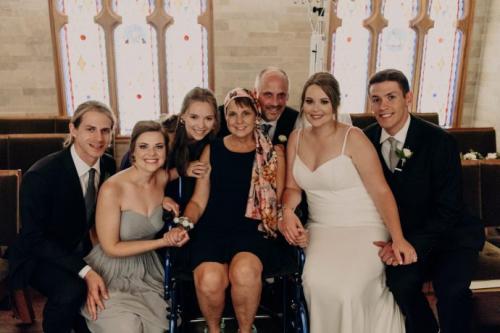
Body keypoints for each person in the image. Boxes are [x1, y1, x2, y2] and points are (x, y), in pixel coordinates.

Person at [279, 72, 417, 333]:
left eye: (323, 102)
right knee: (314, 282)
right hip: (321, 227)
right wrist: (286, 211)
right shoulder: (296, 139)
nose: (315, 109)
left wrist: (398, 238)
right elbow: (291, 187)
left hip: (363, 226)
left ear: (334, 105)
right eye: (309, 101)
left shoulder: (353, 138)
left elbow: (381, 191)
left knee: (347, 290)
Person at [364, 69, 485, 333]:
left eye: (391, 97)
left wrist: (407, 244)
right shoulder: (366, 140)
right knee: (399, 282)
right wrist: (395, 240)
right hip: (405, 237)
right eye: (375, 99)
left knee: (452, 290)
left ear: (408, 98)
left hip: (451, 237)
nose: (383, 106)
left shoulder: (440, 141)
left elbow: (449, 208)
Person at [180, 88, 285, 333]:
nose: (239, 121)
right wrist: (184, 222)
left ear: (256, 115)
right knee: (210, 279)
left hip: (252, 229)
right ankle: (214, 329)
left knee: (245, 273)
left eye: (245, 113)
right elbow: (198, 200)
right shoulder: (212, 149)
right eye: (232, 114)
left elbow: (275, 202)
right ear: (224, 118)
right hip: (211, 230)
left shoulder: (272, 153)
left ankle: (245, 330)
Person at [7, 101, 117, 333]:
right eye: (90, 129)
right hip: (38, 254)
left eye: (105, 130)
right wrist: (85, 270)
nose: (99, 138)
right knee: (71, 290)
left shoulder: (108, 165)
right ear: (73, 129)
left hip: (80, 248)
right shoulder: (42, 175)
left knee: (115, 284)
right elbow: (34, 238)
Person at [81, 120, 189, 332]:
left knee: (158, 326)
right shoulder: (113, 188)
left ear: (166, 151)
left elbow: (177, 172)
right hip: (111, 270)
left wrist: (166, 198)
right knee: (128, 327)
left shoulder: (161, 177)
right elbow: (111, 247)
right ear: (133, 152)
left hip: (147, 270)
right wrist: (163, 241)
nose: (152, 153)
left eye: (159, 146)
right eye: (143, 146)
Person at [218, 67, 298, 145]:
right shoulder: (221, 117)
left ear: (287, 96)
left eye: (281, 95)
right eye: (268, 95)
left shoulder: (296, 121)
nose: (275, 103)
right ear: (255, 94)